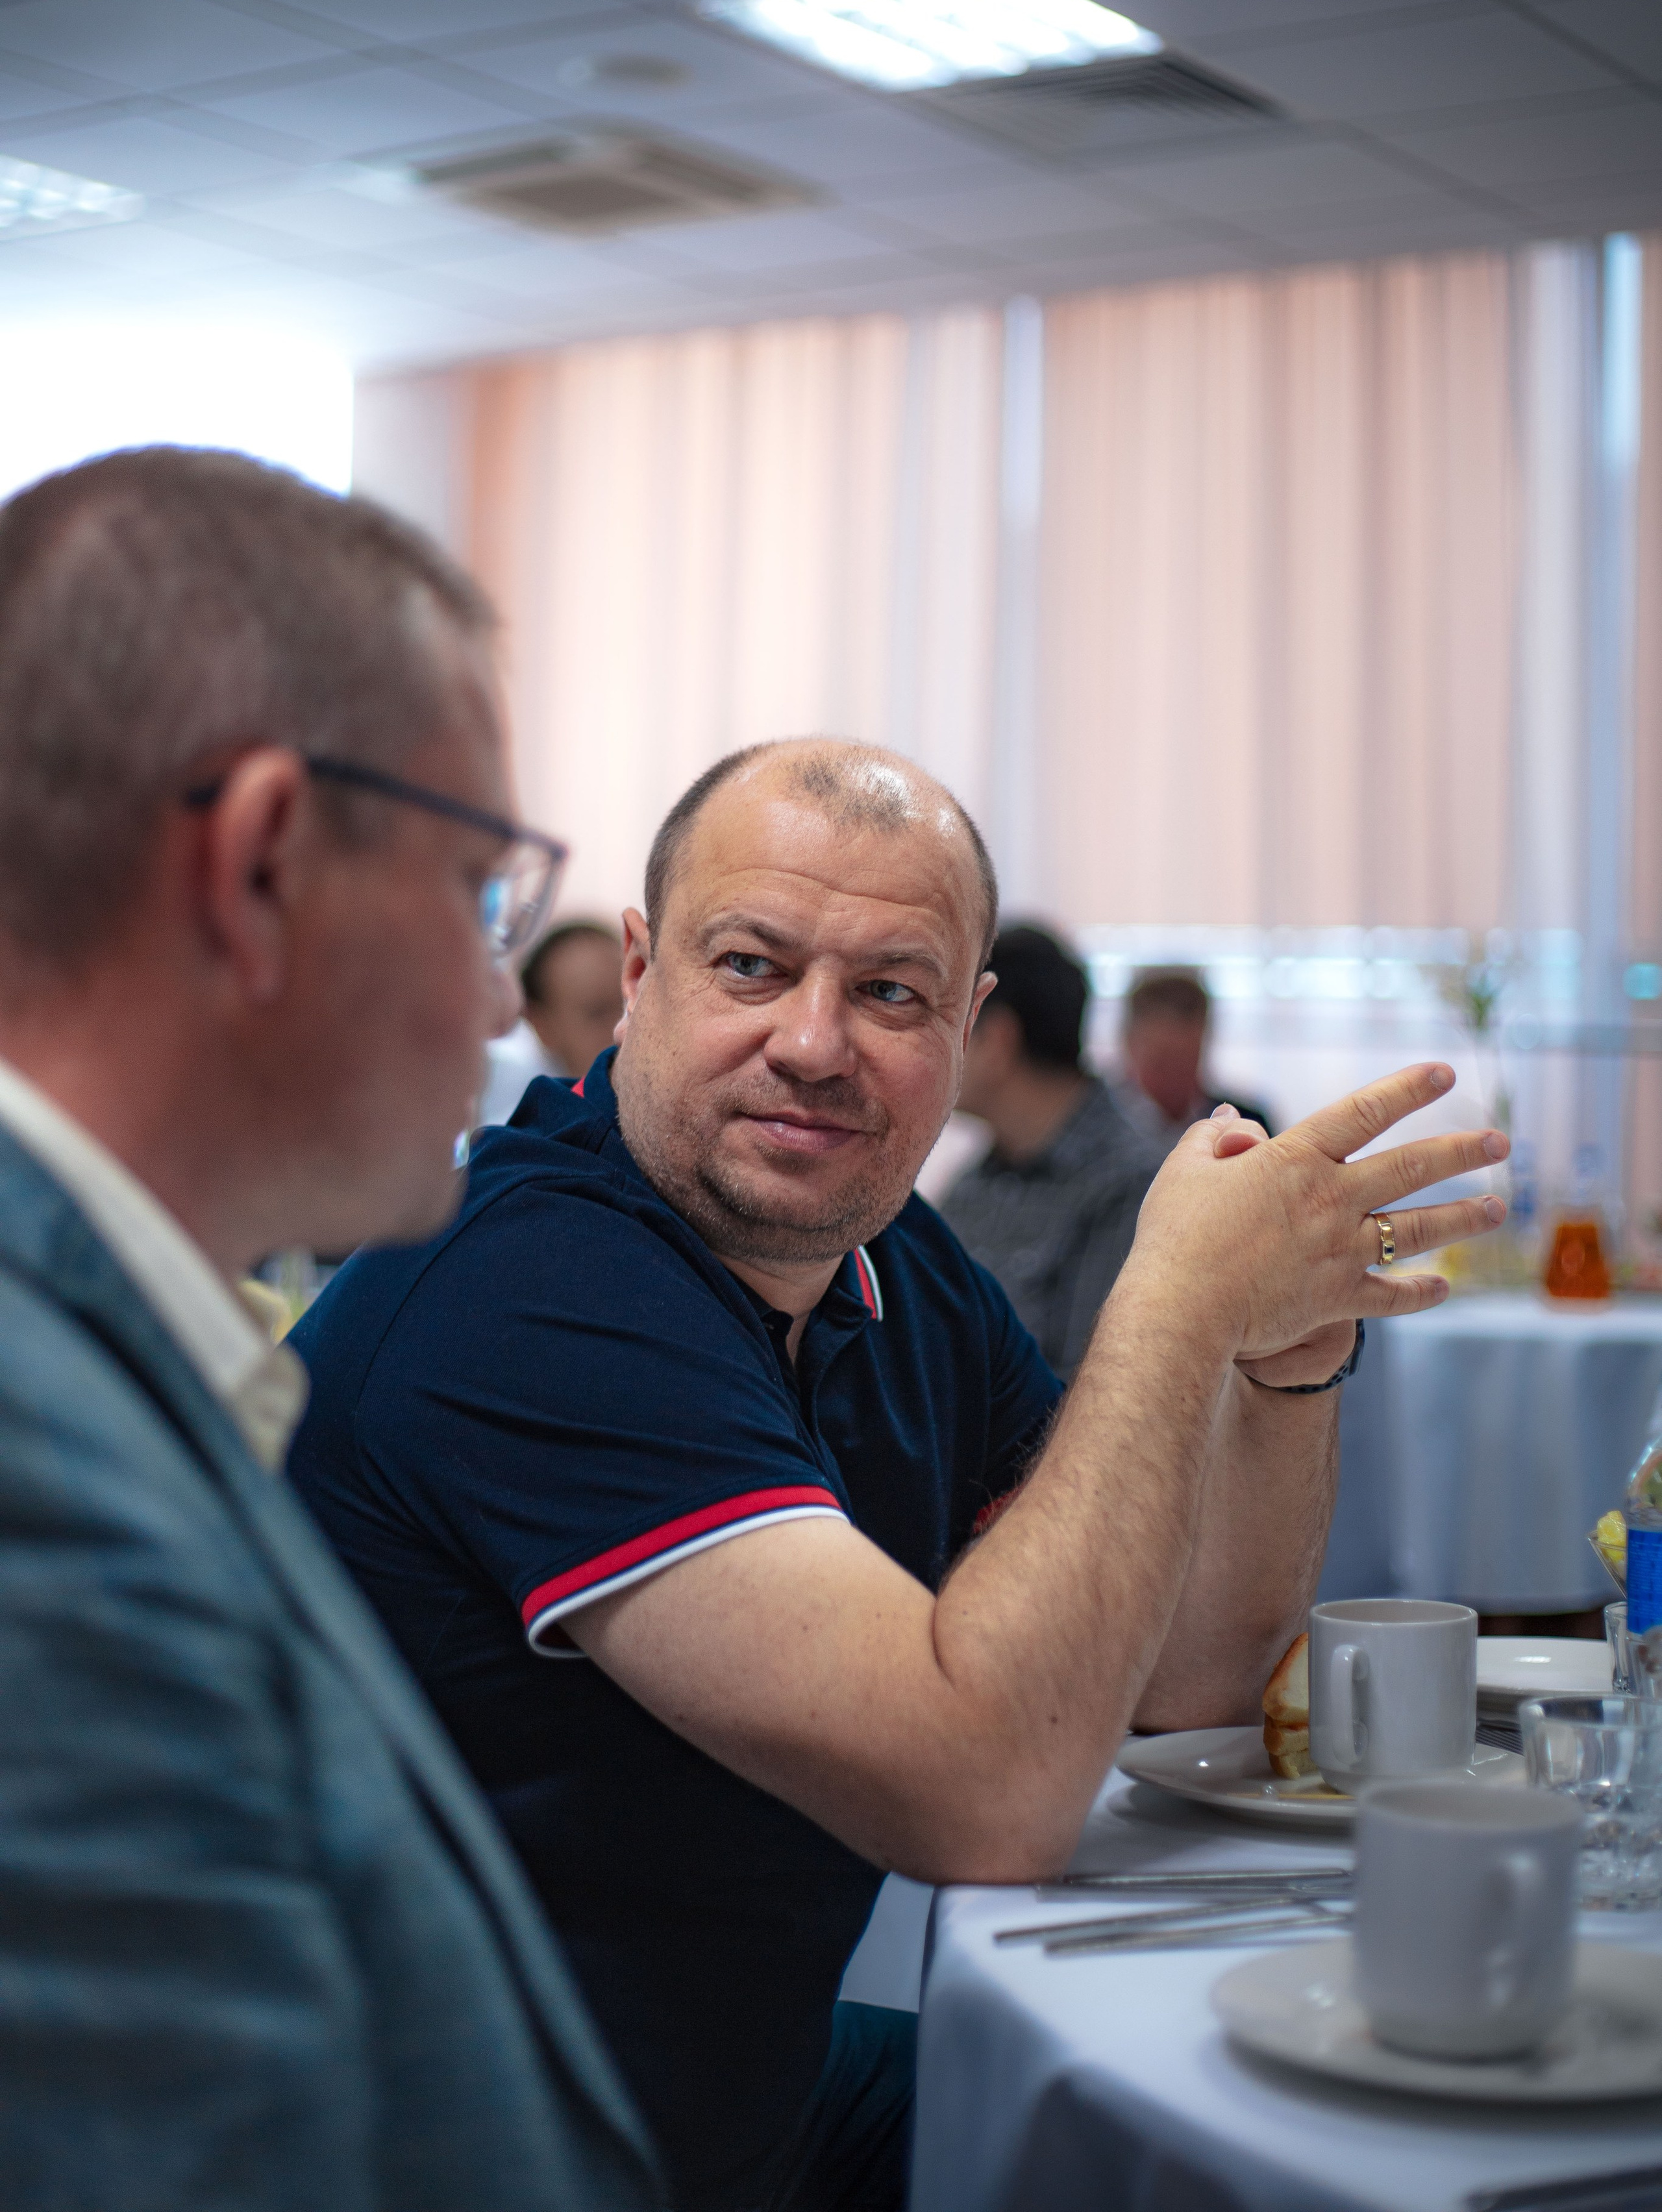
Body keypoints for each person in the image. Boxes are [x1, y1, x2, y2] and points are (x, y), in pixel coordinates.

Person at [290, 737, 1507, 2212]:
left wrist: (1284, 1362)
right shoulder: (521, 1283)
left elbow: (1178, 1677)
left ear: (967, 1021)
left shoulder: (893, 1269)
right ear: (637, 970)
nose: (814, 1042)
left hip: (729, 2089)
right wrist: (1173, 1301)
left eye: (888, 990)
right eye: (750, 963)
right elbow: (986, 1794)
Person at [0, 449, 659, 2212]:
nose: (502, 996)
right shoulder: (34, 1489)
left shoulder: (93, 1350)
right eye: (474, 894)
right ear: (263, 861)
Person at [941, 922, 1162, 1375]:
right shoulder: (981, 1176)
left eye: (947, 1021)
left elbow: (1089, 1400)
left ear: (997, 1039)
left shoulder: (1132, 1190)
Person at [1114, 965, 1276, 1156]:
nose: (1172, 1078)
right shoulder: (1100, 1132)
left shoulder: (1245, 1124)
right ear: (1129, 1045)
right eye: (1161, 1062)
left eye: (1184, 1062)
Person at [478, 920, 625, 1125]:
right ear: (542, 1026)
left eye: (630, 1004)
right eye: (597, 1013)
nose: (625, 1028)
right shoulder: (521, 1142)